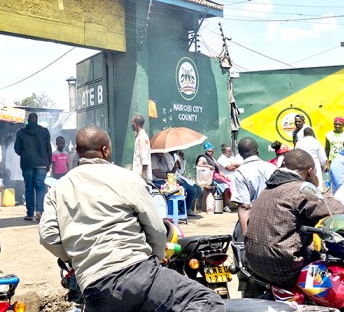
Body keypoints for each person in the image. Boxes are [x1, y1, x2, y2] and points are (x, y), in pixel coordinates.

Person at [39, 126, 225, 312]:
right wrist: (157, 256)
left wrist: (75, 257)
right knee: (208, 301)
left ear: (78, 151)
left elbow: (48, 236)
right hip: (138, 274)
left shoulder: (58, 188)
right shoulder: (127, 178)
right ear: (105, 150)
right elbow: (156, 228)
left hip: (94, 287)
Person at [244, 149, 344, 288]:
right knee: (339, 274)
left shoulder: (267, 189)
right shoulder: (301, 190)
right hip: (285, 266)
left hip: (254, 262)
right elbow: (339, 211)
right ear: (310, 171)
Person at [231, 137, 276, 237]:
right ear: (258, 151)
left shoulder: (241, 172)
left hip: (254, 221)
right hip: (274, 219)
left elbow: (244, 206)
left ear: (240, 153)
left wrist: (245, 234)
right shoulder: (272, 167)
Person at [15, 112, 51, 221]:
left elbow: (17, 149)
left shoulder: (21, 133)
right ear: (37, 119)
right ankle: (40, 211)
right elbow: (48, 148)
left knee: (29, 187)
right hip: (42, 164)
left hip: (27, 164)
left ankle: (30, 214)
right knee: (40, 187)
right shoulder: (44, 132)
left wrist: (26, 154)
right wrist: (49, 162)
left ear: (28, 120)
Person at [152, 151, 202, 217]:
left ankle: (182, 208)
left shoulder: (164, 157)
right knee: (182, 187)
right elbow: (158, 174)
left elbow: (170, 173)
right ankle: (175, 210)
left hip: (168, 179)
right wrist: (171, 178)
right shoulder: (153, 158)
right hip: (157, 181)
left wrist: (175, 167)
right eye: (160, 152)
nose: (162, 153)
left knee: (188, 188)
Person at [196, 143, 232, 213]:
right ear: (206, 151)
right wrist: (208, 166)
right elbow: (199, 164)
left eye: (212, 151)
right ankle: (218, 206)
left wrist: (223, 176)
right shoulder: (203, 158)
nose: (211, 153)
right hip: (206, 178)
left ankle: (225, 205)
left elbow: (217, 170)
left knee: (226, 185)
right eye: (209, 151)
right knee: (221, 186)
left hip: (215, 177)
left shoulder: (212, 159)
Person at [2, 131, 25, 205]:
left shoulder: (24, 146)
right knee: (14, 185)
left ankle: (23, 200)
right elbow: (7, 159)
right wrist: (7, 168)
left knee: (22, 185)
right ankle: (16, 200)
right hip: (12, 169)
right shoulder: (10, 146)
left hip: (21, 169)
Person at [130, 114, 151, 182]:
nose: (131, 125)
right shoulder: (139, 136)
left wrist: (143, 175)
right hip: (137, 174)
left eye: (132, 123)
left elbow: (144, 156)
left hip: (140, 176)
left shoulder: (142, 137)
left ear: (136, 123)